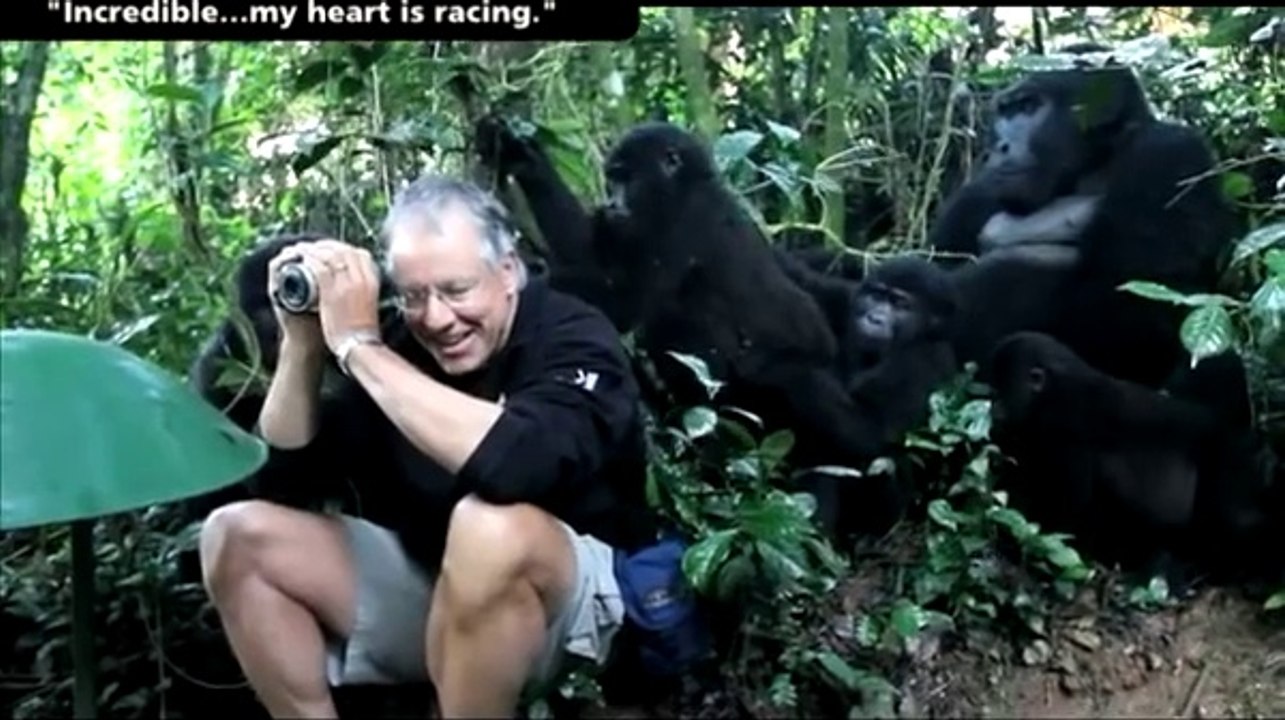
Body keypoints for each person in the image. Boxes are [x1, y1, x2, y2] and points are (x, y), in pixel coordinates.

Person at [197, 175, 658, 718]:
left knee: (488, 527)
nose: (437, 319)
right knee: (235, 535)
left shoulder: (572, 334)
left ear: (508, 272)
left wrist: (361, 349)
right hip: (440, 595)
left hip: (571, 616)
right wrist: (304, 344)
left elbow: (520, 467)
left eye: (457, 291)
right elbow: (285, 481)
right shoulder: (399, 347)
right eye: (415, 296)